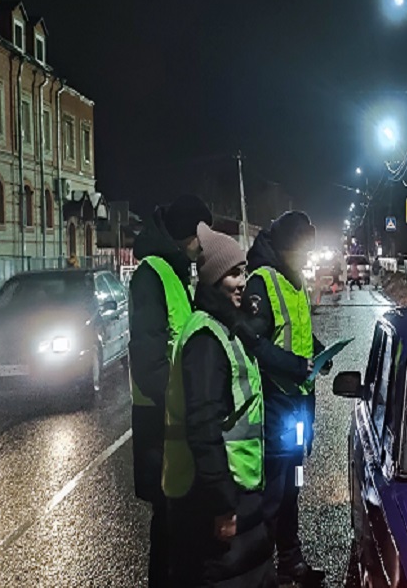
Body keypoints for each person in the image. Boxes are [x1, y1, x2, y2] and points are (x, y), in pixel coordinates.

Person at [163, 223, 275, 587]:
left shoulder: (225, 328)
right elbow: (203, 426)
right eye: (232, 274)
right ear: (212, 279)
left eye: (243, 271)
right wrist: (223, 504)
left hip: (239, 494)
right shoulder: (206, 340)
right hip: (216, 501)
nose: (242, 281)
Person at [128, 194, 212, 586]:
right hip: (158, 426)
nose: (204, 242)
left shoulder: (176, 271)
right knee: (168, 527)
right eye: (201, 234)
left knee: (181, 526)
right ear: (185, 234)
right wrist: (187, 404)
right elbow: (148, 364)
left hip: (173, 422)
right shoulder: (152, 274)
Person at [241, 211, 328, 587]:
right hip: (278, 406)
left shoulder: (294, 282)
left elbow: (296, 333)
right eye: (303, 251)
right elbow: (253, 342)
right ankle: (261, 573)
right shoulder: (263, 281)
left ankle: (291, 561)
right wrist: (295, 366)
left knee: (294, 484)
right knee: (274, 494)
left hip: (300, 406)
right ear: (288, 246)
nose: (307, 259)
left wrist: (320, 354)